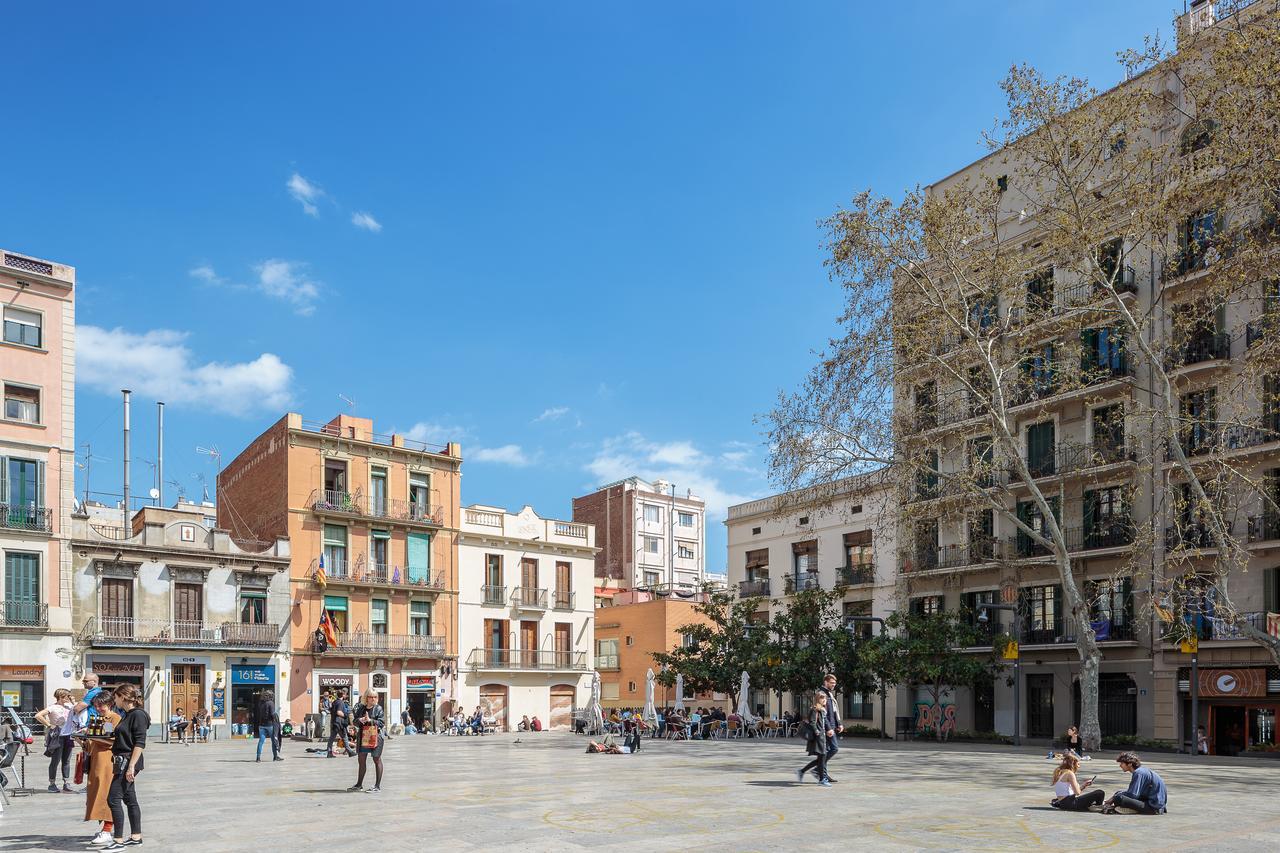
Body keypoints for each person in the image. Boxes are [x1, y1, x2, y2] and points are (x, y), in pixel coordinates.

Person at [103, 683, 149, 850]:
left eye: (115, 697)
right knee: (130, 799)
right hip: (123, 760)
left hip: (128, 761)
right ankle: (136, 837)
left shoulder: (138, 715)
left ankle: (118, 841)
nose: (114, 700)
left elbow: (140, 743)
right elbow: (114, 736)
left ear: (123, 697)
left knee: (113, 799)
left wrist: (131, 767)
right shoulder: (127, 714)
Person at [80, 690, 121, 846]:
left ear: (109, 704)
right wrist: (81, 739)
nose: (98, 708)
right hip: (96, 761)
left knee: (105, 794)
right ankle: (107, 828)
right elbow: (91, 743)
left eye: (100, 705)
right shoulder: (98, 718)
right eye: (96, 705)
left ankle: (107, 829)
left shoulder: (114, 718)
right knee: (96, 793)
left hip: (107, 761)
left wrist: (92, 737)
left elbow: (112, 741)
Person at [35, 688, 76, 793]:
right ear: (61, 696)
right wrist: (49, 725)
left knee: (66, 761)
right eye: (67, 696)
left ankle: (66, 782)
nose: (69, 697)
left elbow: (78, 711)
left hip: (68, 736)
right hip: (58, 737)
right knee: (55, 760)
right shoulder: (52, 707)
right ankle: (52, 784)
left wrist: (73, 701)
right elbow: (38, 715)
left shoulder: (70, 706)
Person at [1102, 752, 1167, 815]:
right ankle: (1130, 808)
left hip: (1153, 807)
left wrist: (1114, 797)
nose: (1120, 765)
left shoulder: (1138, 773)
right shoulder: (1142, 771)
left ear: (1130, 764)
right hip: (1154, 804)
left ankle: (1133, 810)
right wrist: (1117, 794)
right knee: (1118, 793)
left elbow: (1133, 795)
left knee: (1118, 798)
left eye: (1122, 763)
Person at [348, 690, 385, 793]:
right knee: (361, 760)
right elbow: (354, 721)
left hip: (376, 736)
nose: (373, 699)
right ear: (366, 697)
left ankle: (377, 786)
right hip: (363, 737)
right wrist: (360, 720)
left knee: (377, 759)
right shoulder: (361, 708)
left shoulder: (378, 709)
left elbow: (382, 723)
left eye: (375, 697)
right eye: (371, 697)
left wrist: (370, 721)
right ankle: (359, 784)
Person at [797, 691, 832, 786]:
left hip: (822, 737)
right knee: (822, 758)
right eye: (822, 698)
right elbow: (812, 722)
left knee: (821, 759)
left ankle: (802, 771)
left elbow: (823, 723)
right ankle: (821, 779)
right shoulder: (815, 709)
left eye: (825, 698)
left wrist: (828, 731)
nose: (824, 700)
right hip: (818, 738)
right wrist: (817, 732)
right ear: (818, 699)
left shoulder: (822, 710)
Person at [819, 674, 843, 781]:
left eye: (834, 683)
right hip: (825, 728)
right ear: (826, 682)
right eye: (832, 683)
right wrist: (828, 728)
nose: (834, 685)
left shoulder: (829, 694)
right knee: (834, 748)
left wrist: (839, 724)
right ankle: (819, 768)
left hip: (832, 726)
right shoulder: (821, 694)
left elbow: (833, 711)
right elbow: (823, 713)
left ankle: (823, 773)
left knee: (826, 750)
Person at [254, 690, 281, 762]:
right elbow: (272, 714)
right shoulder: (271, 703)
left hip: (261, 725)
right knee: (273, 741)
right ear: (270, 696)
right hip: (270, 725)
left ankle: (258, 758)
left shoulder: (260, 703)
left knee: (261, 741)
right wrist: (276, 715)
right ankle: (275, 757)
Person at [328, 690, 354, 757]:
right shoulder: (340, 703)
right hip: (339, 724)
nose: (346, 696)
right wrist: (345, 715)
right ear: (343, 695)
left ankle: (329, 752)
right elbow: (338, 712)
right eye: (345, 694)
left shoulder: (334, 702)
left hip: (334, 722)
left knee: (331, 738)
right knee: (344, 738)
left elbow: (331, 710)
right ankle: (350, 752)